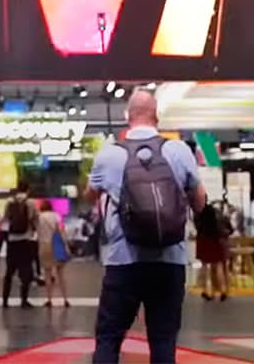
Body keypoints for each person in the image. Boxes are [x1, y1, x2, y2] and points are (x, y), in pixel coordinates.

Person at [87, 88, 206, 364]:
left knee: (109, 338)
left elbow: (90, 195)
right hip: (170, 259)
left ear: (128, 116)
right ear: (156, 115)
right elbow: (199, 202)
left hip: (123, 261)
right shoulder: (179, 151)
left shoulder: (109, 155)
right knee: (163, 340)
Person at [2, 180, 38, 309]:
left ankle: (5, 300)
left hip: (12, 240)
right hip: (25, 240)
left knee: (9, 272)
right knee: (26, 271)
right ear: (28, 189)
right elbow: (34, 219)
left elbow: (5, 219)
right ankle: (24, 300)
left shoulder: (9, 202)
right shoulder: (31, 203)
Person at [38, 199, 70, 307]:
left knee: (47, 274)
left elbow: (37, 232)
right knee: (61, 274)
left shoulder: (40, 217)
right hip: (57, 246)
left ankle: (49, 299)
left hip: (44, 245)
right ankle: (65, 299)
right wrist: (65, 245)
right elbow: (61, 231)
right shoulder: (57, 216)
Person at [195, 201, 229, 301]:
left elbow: (197, 227)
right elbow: (221, 227)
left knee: (204, 266)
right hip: (214, 239)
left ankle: (205, 290)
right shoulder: (214, 211)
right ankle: (222, 290)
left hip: (202, 240)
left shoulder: (198, 213)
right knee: (218, 265)